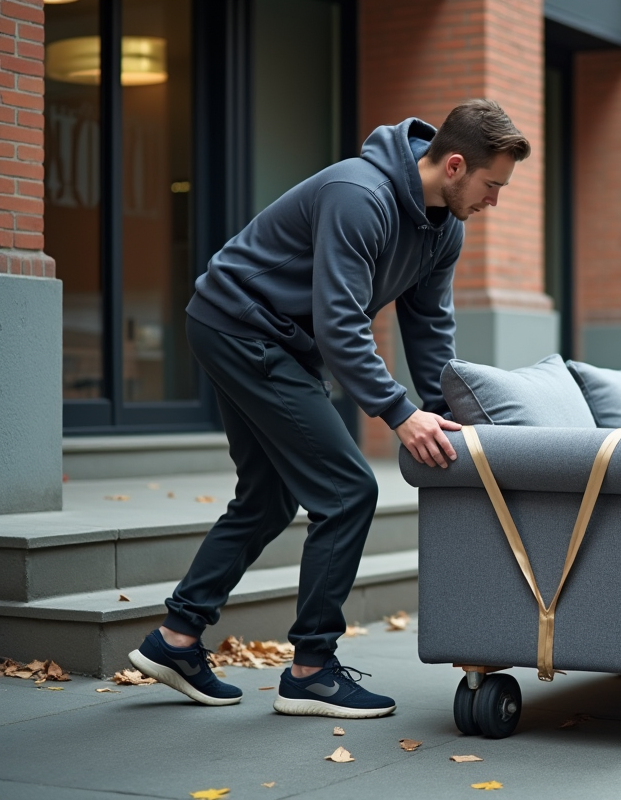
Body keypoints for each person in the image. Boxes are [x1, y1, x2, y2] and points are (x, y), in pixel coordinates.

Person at [126, 99, 531, 719]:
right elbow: (341, 326)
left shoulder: (445, 229)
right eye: (492, 185)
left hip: (274, 340)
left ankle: (176, 639)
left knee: (266, 496)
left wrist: (443, 412)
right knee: (347, 490)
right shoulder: (358, 195)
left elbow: (428, 329)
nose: (494, 201)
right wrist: (399, 414)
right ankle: (311, 668)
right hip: (240, 326)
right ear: (455, 165)